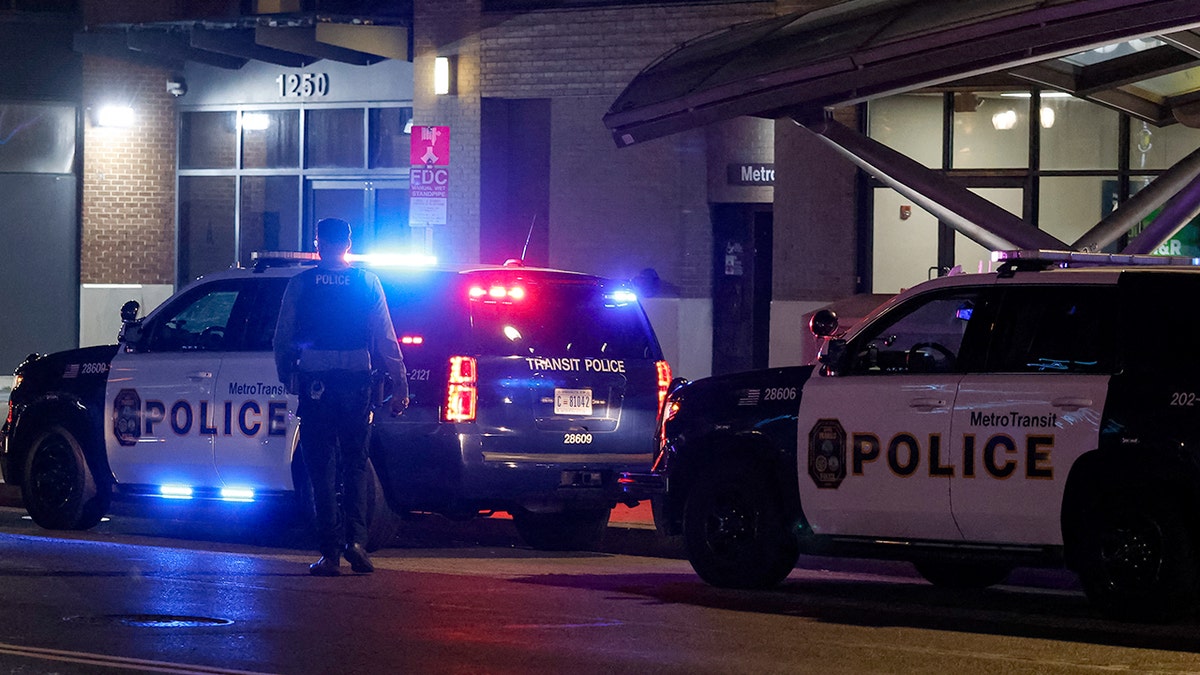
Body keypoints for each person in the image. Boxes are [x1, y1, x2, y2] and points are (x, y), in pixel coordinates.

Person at [274, 217, 409, 576]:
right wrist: (400, 385)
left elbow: (283, 336)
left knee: (321, 470)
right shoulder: (366, 281)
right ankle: (358, 544)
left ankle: (330, 555)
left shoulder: (302, 283)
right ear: (348, 243)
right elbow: (385, 338)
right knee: (355, 466)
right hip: (357, 387)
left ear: (318, 243)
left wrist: (287, 375)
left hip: (317, 387)